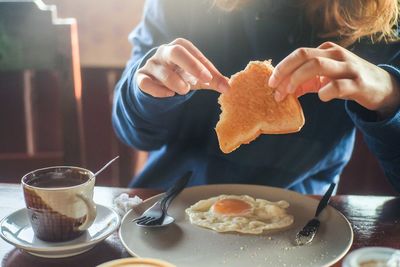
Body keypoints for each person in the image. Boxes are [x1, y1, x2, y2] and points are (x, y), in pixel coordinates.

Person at [112, 0, 400, 194]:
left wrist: (391, 95)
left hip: (304, 219)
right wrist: (148, 90)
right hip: (174, 204)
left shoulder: (384, 21)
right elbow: (135, 134)